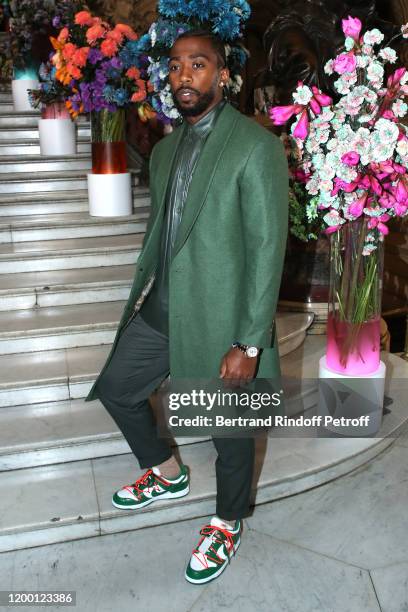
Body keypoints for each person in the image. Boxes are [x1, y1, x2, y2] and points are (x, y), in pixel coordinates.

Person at [86, 28, 288, 585]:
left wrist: (248, 340)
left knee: (230, 428)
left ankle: (227, 520)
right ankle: (165, 469)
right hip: (165, 305)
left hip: (223, 315)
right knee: (118, 389)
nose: (183, 76)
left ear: (223, 75)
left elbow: (268, 248)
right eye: (175, 66)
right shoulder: (167, 148)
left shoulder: (254, 146)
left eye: (197, 65)